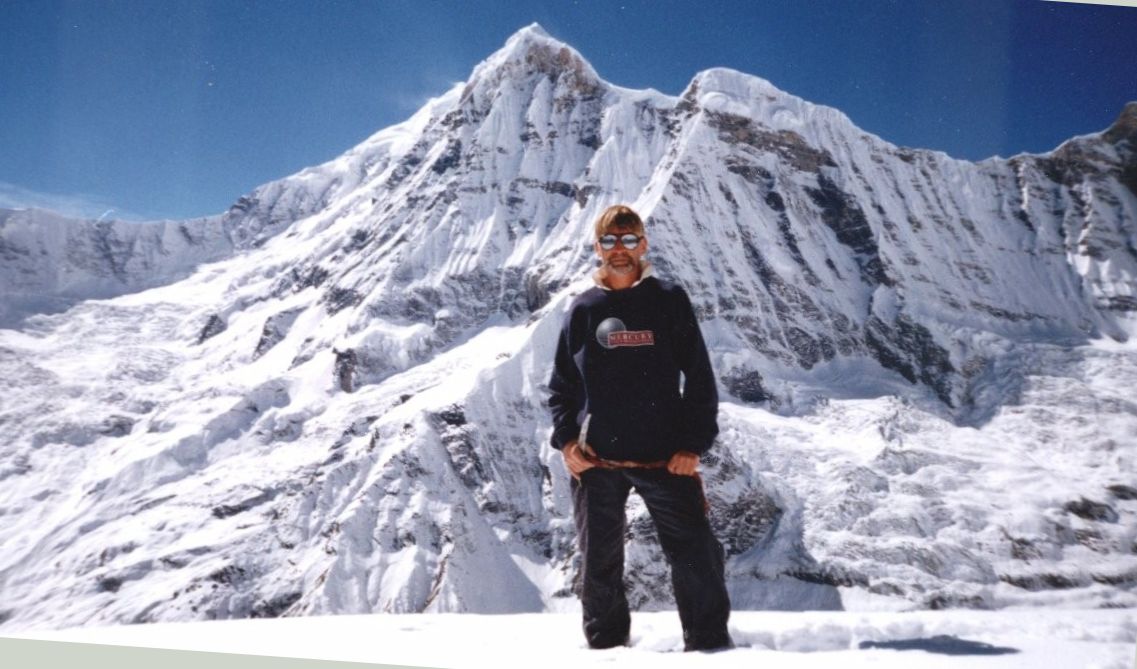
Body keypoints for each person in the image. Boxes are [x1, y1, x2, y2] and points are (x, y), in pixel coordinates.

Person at [547, 204, 732, 651]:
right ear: (597, 248)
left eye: (629, 240)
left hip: (666, 457)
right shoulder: (584, 310)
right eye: (610, 241)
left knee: (695, 557)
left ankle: (710, 650)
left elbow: (701, 377)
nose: (620, 250)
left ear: (643, 244)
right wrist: (568, 442)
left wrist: (692, 444)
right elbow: (561, 387)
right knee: (599, 564)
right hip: (597, 461)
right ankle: (607, 653)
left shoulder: (668, 300)